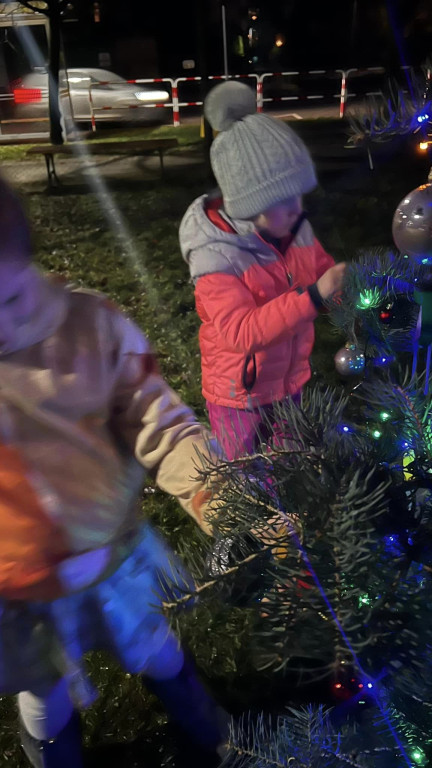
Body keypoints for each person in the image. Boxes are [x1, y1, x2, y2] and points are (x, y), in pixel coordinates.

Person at [0, 178, 228, 767]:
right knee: (44, 691)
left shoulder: (91, 329)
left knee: (155, 646)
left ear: (28, 263)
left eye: (9, 301)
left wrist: (219, 495)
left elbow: (160, 420)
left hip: (112, 556)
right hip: (17, 592)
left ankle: (210, 733)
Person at [180, 81, 346, 460]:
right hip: (239, 398)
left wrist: (345, 290)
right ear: (251, 204)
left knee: (290, 467)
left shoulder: (295, 228)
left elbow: (321, 270)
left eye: (299, 194)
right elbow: (241, 332)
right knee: (247, 477)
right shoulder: (217, 257)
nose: (297, 208)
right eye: (284, 200)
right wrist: (314, 296)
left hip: (289, 383)